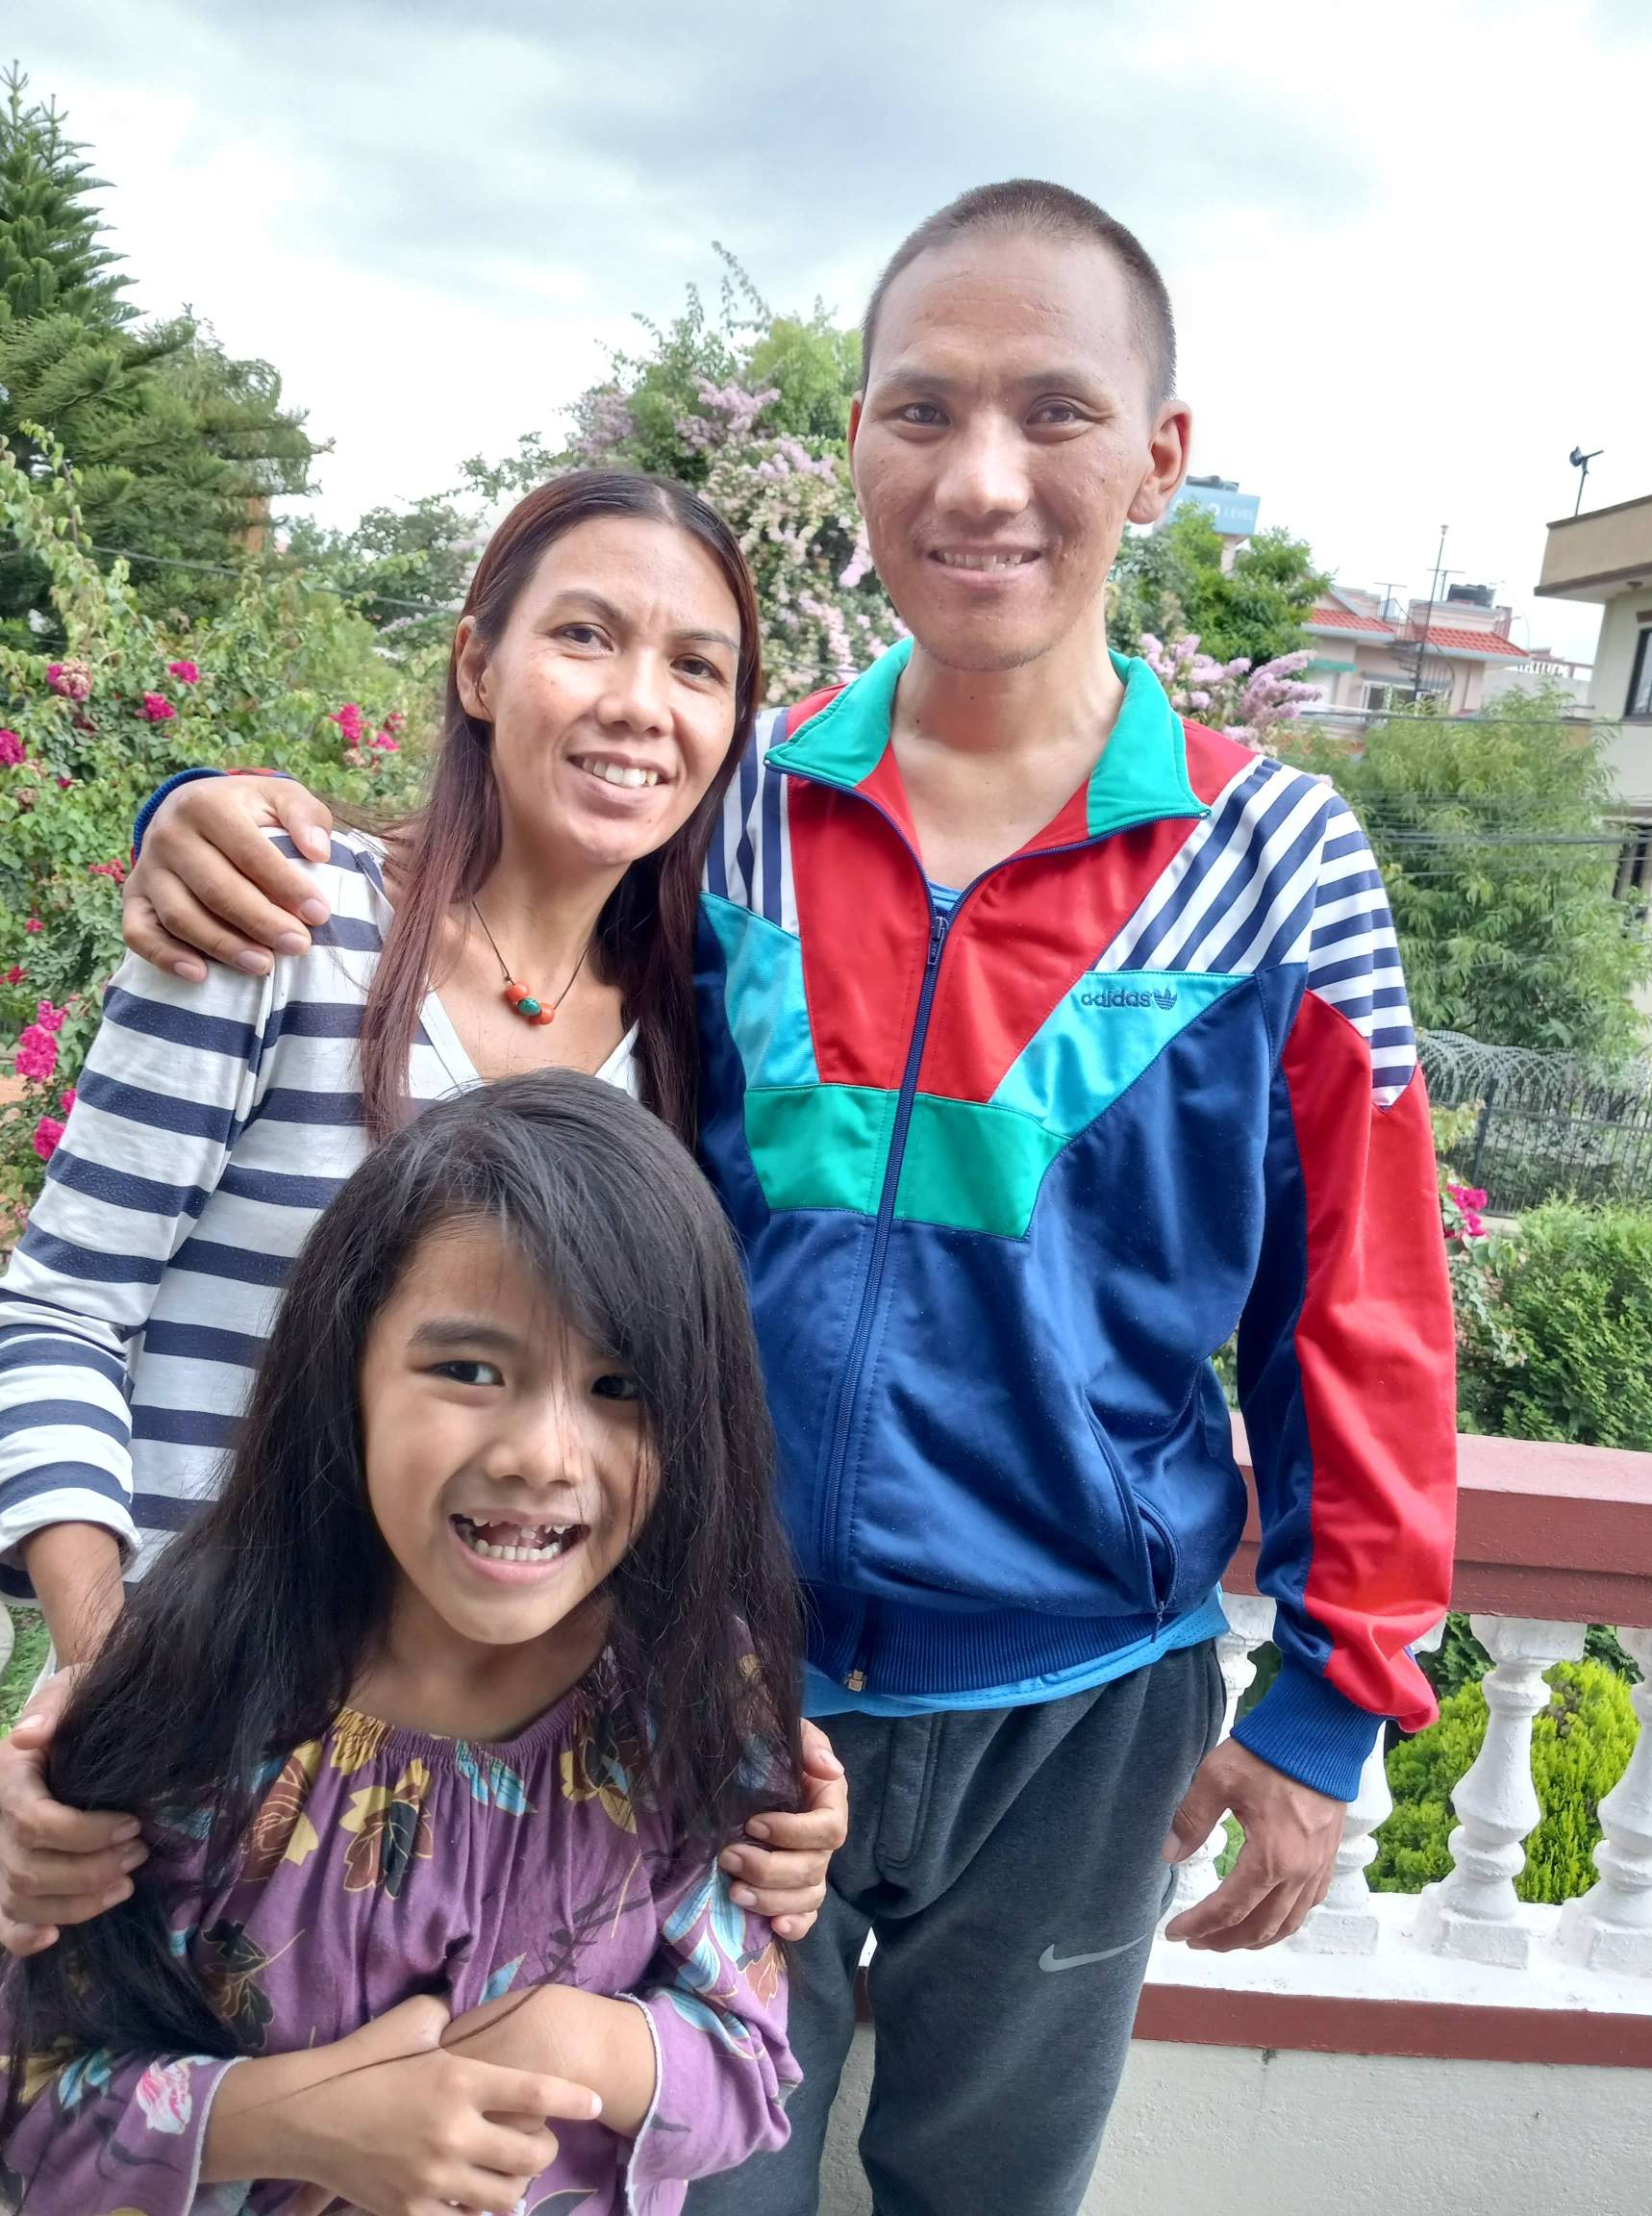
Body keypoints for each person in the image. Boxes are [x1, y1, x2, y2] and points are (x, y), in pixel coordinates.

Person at [7, 180, 1459, 2214]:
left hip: (1080, 1699)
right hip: (698, 1687)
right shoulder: (740, 807)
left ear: (1162, 454)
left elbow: (1363, 1311)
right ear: (854, 441)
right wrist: (197, 818)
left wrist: (1332, 1702)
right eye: (921, 411)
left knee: (990, 2189)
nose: (981, 478)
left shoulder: (1279, 859)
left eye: (1055, 413)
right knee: (682, 2174)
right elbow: (502, 934)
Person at [0, 468, 842, 1952]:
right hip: (196, 1759)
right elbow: (64, 1303)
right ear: (477, 665)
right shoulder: (285, 926)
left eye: (697, 667)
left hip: (478, 1810)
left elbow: (646, 1431)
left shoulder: (692, 1047)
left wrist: (747, 1742)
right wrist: (112, 1647)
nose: (642, 703)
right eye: (585, 636)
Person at [0, 1070, 805, 2212]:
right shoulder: (192, 1687)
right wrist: (296, 2121)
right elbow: (33, 2092)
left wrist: (579, 2048)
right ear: (348, 1374)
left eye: (620, 1386)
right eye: (469, 1370)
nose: (544, 1453)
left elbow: (753, 2071)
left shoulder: (691, 1691)